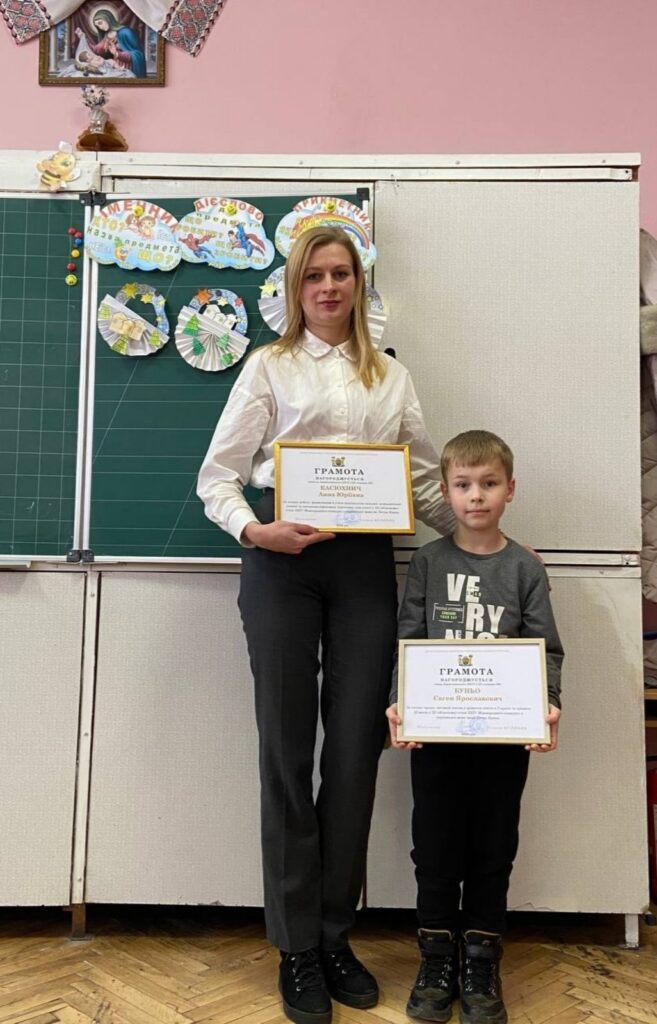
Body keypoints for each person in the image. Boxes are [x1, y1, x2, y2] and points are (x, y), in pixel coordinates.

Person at [197, 225, 454, 1024]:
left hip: (363, 564)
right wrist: (255, 530)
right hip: (281, 560)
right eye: (315, 275)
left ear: (357, 285)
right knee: (285, 748)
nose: (329, 287)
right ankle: (295, 947)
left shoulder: (391, 376)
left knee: (352, 752)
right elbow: (217, 477)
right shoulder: (266, 367)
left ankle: (334, 934)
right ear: (295, 287)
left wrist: (485, 539)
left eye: (341, 273)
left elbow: (422, 481)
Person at [386, 430, 564, 1024]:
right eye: (463, 485)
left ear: (510, 489)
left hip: (504, 742)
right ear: (445, 492)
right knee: (434, 848)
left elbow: (546, 648)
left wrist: (547, 705)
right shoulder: (428, 562)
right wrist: (400, 703)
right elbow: (408, 640)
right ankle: (436, 960)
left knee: (493, 848)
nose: (476, 496)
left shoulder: (524, 568)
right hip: (435, 739)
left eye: (489, 484)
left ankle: (482, 962)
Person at [75, 12, 146, 78]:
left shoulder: (126, 32)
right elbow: (96, 50)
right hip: (115, 67)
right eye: (97, 26)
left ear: (108, 19)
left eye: (100, 23)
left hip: (128, 67)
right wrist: (83, 38)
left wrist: (117, 54)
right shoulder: (108, 35)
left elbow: (137, 54)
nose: (100, 27)